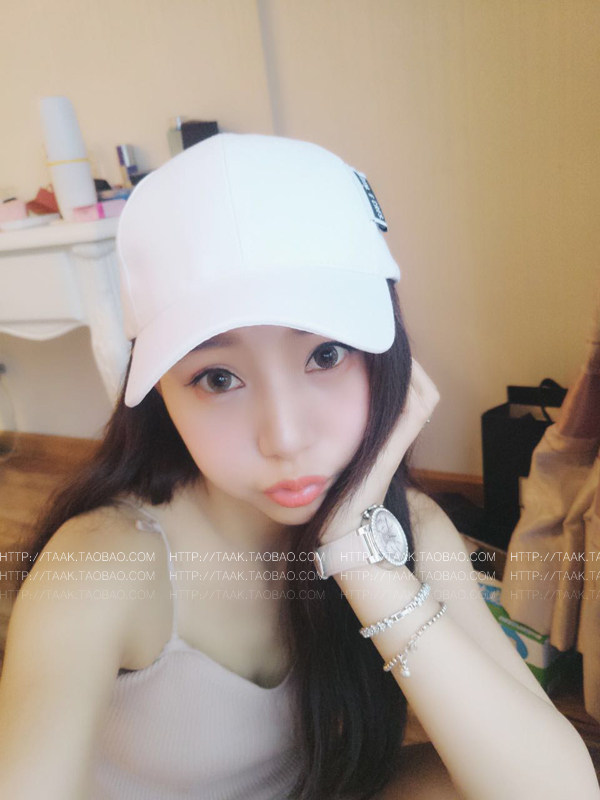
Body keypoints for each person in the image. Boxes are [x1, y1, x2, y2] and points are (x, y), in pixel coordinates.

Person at [0, 133, 597, 800]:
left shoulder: (407, 528)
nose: (285, 438)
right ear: (160, 392)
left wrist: (359, 557)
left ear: (388, 355)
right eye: (218, 377)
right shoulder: (100, 565)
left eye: (326, 354)